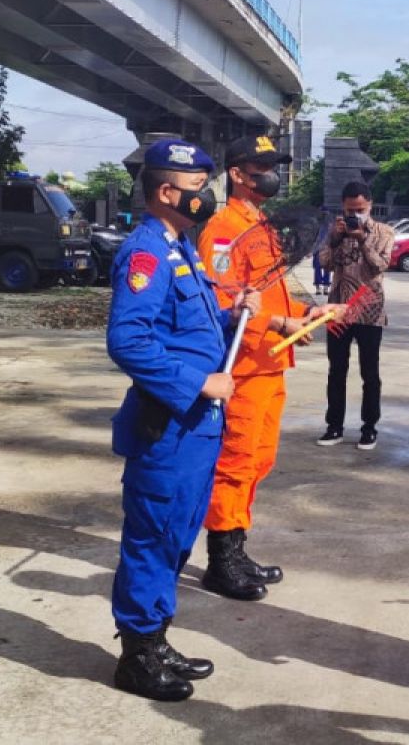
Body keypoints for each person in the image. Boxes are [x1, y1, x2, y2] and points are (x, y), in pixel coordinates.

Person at [107, 138, 258, 702]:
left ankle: (155, 635)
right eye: (198, 189)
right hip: (168, 423)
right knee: (152, 537)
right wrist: (198, 382)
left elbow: (183, 329)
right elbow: (127, 339)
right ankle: (137, 656)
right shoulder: (145, 251)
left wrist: (229, 310)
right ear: (167, 191)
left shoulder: (180, 247)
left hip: (195, 426)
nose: (208, 196)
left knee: (177, 536)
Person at [196, 135, 339, 601]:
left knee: (259, 459)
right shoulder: (223, 230)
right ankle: (221, 558)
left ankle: (238, 545)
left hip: (271, 362)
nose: (271, 175)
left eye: (274, 166)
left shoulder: (260, 224)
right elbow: (222, 299)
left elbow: (268, 291)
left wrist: (304, 310)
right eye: (262, 167)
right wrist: (280, 321)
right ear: (238, 174)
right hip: (243, 366)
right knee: (235, 460)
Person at [317, 181, 396, 449]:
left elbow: (380, 266)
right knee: (336, 370)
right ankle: (334, 426)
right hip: (338, 309)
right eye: (351, 209)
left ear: (370, 206)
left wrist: (363, 240)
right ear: (343, 207)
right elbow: (324, 264)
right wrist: (336, 239)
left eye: (360, 209)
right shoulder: (335, 231)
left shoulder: (384, 232)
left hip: (369, 310)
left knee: (369, 372)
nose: (356, 215)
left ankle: (369, 427)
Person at [312, 211, 333, 295]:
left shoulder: (331, 226)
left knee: (326, 269)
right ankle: (319, 288)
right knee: (318, 269)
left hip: (326, 249)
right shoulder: (316, 225)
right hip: (318, 249)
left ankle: (325, 287)